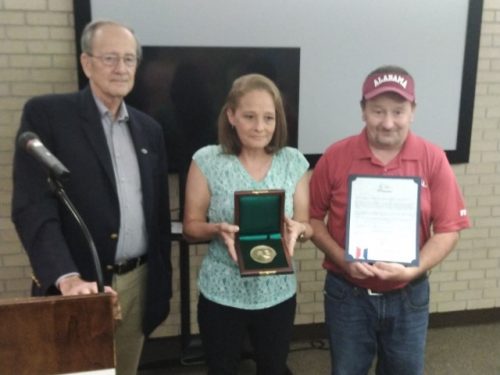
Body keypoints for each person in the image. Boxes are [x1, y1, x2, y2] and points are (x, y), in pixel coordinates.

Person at [11, 20, 172, 375]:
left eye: (129, 59)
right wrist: (66, 277)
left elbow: (158, 215)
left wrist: (161, 283)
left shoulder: (149, 129)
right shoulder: (48, 115)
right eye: (110, 58)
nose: (121, 68)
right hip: (79, 287)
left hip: (137, 284)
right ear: (86, 63)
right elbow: (33, 206)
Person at [309, 65, 471, 375]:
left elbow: (449, 229)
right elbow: (312, 219)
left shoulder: (433, 158)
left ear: (413, 111)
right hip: (348, 294)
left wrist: (414, 267)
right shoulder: (336, 156)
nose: (387, 123)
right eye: (377, 111)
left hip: (409, 297)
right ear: (362, 110)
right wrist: (343, 259)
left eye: (398, 111)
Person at [182, 73, 312, 375]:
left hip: (277, 292)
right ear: (231, 116)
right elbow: (190, 226)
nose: (260, 127)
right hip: (222, 292)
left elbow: (306, 223)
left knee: (273, 368)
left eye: (269, 117)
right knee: (222, 368)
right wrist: (216, 229)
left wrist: (299, 230)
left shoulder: (293, 161)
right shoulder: (207, 160)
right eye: (249, 116)